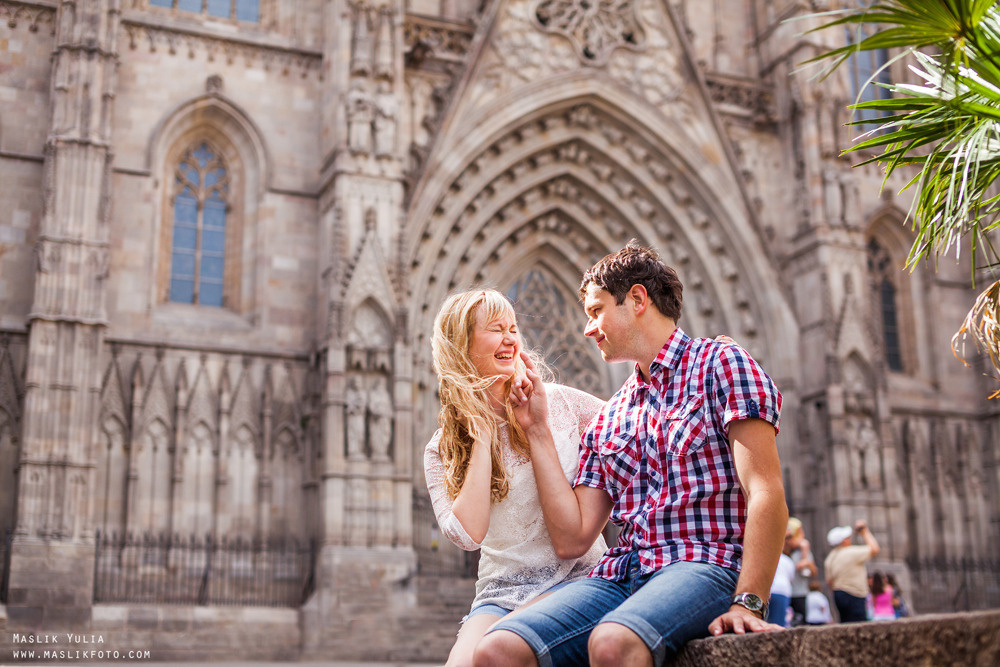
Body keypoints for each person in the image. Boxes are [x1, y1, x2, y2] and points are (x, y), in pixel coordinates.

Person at [475, 242, 788, 667]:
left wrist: (749, 601)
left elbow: (765, 491)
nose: (588, 329)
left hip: (705, 564)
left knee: (612, 643)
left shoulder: (721, 364)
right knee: (496, 650)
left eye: (596, 311)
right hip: (623, 574)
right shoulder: (612, 413)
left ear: (638, 299)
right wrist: (537, 429)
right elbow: (573, 537)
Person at [423, 289, 608, 667]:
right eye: (496, 329)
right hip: (500, 592)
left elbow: (636, 424)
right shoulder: (441, 449)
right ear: (461, 346)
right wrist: (483, 431)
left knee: (495, 653)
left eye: (513, 328)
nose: (510, 338)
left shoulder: (561, 404)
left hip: (579, 577)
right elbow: (468, 535)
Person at [824, 520, 880, 623]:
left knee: (845, 623)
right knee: (859, 624)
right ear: (843, 541)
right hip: (854, 593)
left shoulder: (830, 557)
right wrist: (865, 532)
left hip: (838, 593)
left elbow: (829, 581)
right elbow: (874, 549)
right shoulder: (851, 552)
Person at [785, 517, 817, 626]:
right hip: (786, 592)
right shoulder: (783, 551)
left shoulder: (802, 551)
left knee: (801, 622)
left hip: (800, 593)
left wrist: (807, 562)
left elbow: (813, 573)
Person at [768, 550, 795, 627]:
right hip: (782, 591)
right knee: (778, 621)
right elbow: (791, 579)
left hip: (768, 589)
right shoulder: (788, 560)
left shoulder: (767, 557)